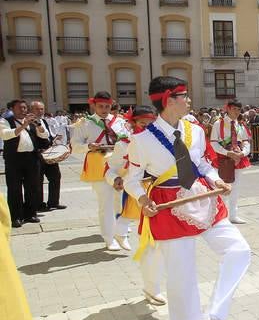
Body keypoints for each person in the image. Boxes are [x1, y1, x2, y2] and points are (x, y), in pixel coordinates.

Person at [124, 76, 250, 320]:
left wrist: (216, 180)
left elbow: (203, 163)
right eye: (184, 95)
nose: (189, 100)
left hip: (204, 198)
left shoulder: (195, 130)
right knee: (182, 276)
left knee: (239, 250)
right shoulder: (141, 140)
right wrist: (142, 200)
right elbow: (132, 179)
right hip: (169, 205)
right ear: (169, 100)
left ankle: (214, 317)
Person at [105, 105, 165, 303]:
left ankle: (154, 285)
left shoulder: (162, 140)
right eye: (142, 123)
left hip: (160, 195)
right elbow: (110, 169)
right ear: (132, 123)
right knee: (148, 241)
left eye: (150, 124)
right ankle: (151, 288)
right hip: (137, 193)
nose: (146, 128)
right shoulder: (124, 144)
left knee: (161, 243)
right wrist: (115, 179)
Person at [71, 92, 131, 250]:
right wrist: (88, 146)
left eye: (107, 106)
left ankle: (121, 233)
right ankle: (109, 238)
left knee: (121, 201)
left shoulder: (119, 122)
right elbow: (74, 146)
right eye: (100, 106)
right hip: (98, 164)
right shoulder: (84, 123)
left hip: (118, 164)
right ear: (94, 106)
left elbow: (129, 139)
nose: (104, 110)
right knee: (106, 203)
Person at [1, 99, 50, 227]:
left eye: (24, 108)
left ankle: (31, 213)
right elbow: (6, 135)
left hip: (31, 158)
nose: (23, 110)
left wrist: (38, 125)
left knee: (32, 187)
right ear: (12, 109)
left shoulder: (33, 121)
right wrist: (23, 125)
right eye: (20, 108)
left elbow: (45, 135)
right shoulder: (5, 121)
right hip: (14, 159)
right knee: (14, 188)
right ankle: (16, 216)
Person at [210, 100, 251, 224]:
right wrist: (228, 153)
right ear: (228, 109)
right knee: (222, 188)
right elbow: (213, 143)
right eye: (234, 109)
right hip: (223, 160)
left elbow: (246, 141)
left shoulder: (241, 125)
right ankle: (220, 215)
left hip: (238, 159)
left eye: (239, 109)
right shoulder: (218, 124)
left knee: (235, 188)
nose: (237, 112)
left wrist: (243, 153)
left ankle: (233, 215)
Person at [31, 101, 67, 213]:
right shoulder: (30, 123)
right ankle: (39, 204)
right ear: (31, 110)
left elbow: (47, 136)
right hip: (37, 154)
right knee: (38, 179)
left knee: (55, 177)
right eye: (37, 109)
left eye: (41, 109)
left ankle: (53, 202)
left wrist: (54, 139)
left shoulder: (44, 121)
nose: (40, 111)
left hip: (49, 153)